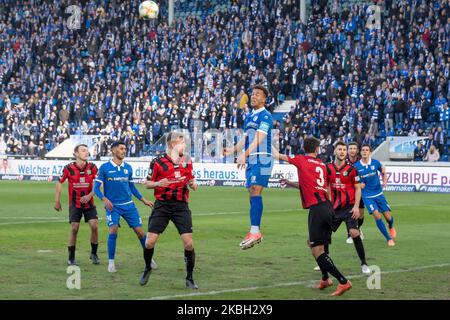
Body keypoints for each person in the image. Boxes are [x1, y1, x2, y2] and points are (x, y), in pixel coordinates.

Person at [274, 137, 352, 296]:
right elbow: (311, 184)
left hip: (317, 210)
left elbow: (278, 155)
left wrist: (265, 140)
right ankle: (325, 278)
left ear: (304, 149)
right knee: (312, 243)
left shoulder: (301, 160)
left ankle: (343, 281)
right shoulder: (322, 165)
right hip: (326, 208)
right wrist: (290, 183)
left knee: (318, 251)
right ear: (317, 149)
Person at [140, 132, 199, 289]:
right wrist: (159, 183)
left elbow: (190, 178)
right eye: (182, 143)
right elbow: (147, 183)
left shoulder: (186, 160)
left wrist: (193, 184)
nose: (184, 146)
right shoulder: (157, 162)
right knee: (149, 241)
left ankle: (190, 278)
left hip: (181, 206)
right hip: (162, 206)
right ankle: (147, 267)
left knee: (188, 243)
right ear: (173, 144)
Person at [223, 85, 274, 250]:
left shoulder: (266, 116)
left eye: (257, 95)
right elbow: (245, 139)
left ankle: (255, 231)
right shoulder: (249, 116)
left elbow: (259, 138)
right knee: (251, 193)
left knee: (255, 189)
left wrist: (244, 154)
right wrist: (232, 150)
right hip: (252, 159)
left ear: (264, 99)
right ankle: (254, 231)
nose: (253, 97)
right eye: (252, 94)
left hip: (263, 158)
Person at [94, 141, 156, 273]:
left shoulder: (128, 168)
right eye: (121, 149)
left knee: (140, 232)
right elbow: (96, 188)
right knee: (113, 230)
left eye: (125, 149)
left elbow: (132, 187)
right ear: (114, 151)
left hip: (129, 206)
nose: (124, 151)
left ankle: (149, 259)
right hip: (113, 207)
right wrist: (104, 199)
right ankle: (111, 262)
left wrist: (143, 199)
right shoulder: (104, 168)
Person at [54, 144, 99, 266]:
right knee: (74, 228)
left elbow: (99, 184)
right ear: (76, 154)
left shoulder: (92, 167)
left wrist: (90, 195)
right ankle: (71, 257)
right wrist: (57, 200)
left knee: (94, 226)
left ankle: (94, 253)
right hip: (75, 203)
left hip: (89, 202)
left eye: (87, 150)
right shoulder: (68, 168)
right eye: (83, 151)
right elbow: (59, 182)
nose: (86, 152)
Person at [354, 145, 397, 246]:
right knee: (377, 215)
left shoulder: (375, 163)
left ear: (370, 152)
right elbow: (353, 182)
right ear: (360, 152)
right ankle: (388, 238)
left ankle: (390, 226)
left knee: (388, 217)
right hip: (367, 196)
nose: (365, 152)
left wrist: (385, 181)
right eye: (363, 150)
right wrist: (359, 184)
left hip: (379, 194)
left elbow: (383, 171)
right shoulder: (356, 166)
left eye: (367, 150)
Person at [345, 142, 365, 244]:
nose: (352, 150)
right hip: (348, 191)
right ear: (348, 150)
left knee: (360, 215)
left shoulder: (361, 162)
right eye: (350, 148)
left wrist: (363, 182)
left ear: (357, 151)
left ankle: (358, 228)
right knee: (349, 212)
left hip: (359, 191)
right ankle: (350, 234)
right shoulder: (344, 162)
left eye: (354, 148)